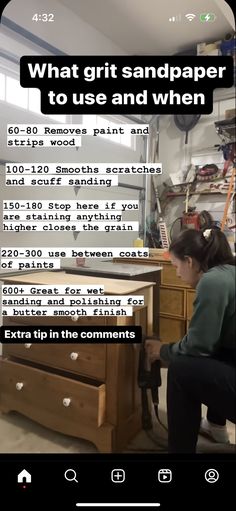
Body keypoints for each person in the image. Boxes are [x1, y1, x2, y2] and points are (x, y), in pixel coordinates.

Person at [145, 227, 236, 453]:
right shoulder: (229, 271)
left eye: (176, 266)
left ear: (190, 261)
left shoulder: (213, 281)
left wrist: (163, 351)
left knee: (180, 370)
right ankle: (216, 428)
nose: (176, 273)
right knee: (219, 352)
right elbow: (211, 342)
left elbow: (198, 346)